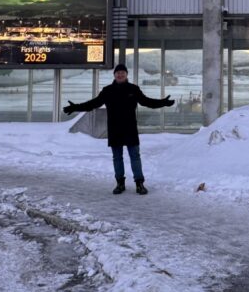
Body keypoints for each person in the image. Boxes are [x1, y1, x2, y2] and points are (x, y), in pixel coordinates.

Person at [63, 63, 173, 195]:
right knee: (117, 157)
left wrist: (163, 102)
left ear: (126, 74)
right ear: (114, 75)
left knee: (135, 157)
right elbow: (93, 104)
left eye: (123, 72)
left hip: (130, 128)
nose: (120, 74)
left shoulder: (133, 89)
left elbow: (147, 102)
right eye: (118, 72)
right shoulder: (107, 90)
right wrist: (75, 107)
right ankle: (120, 183)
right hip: (115, 129)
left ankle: (139, 184)